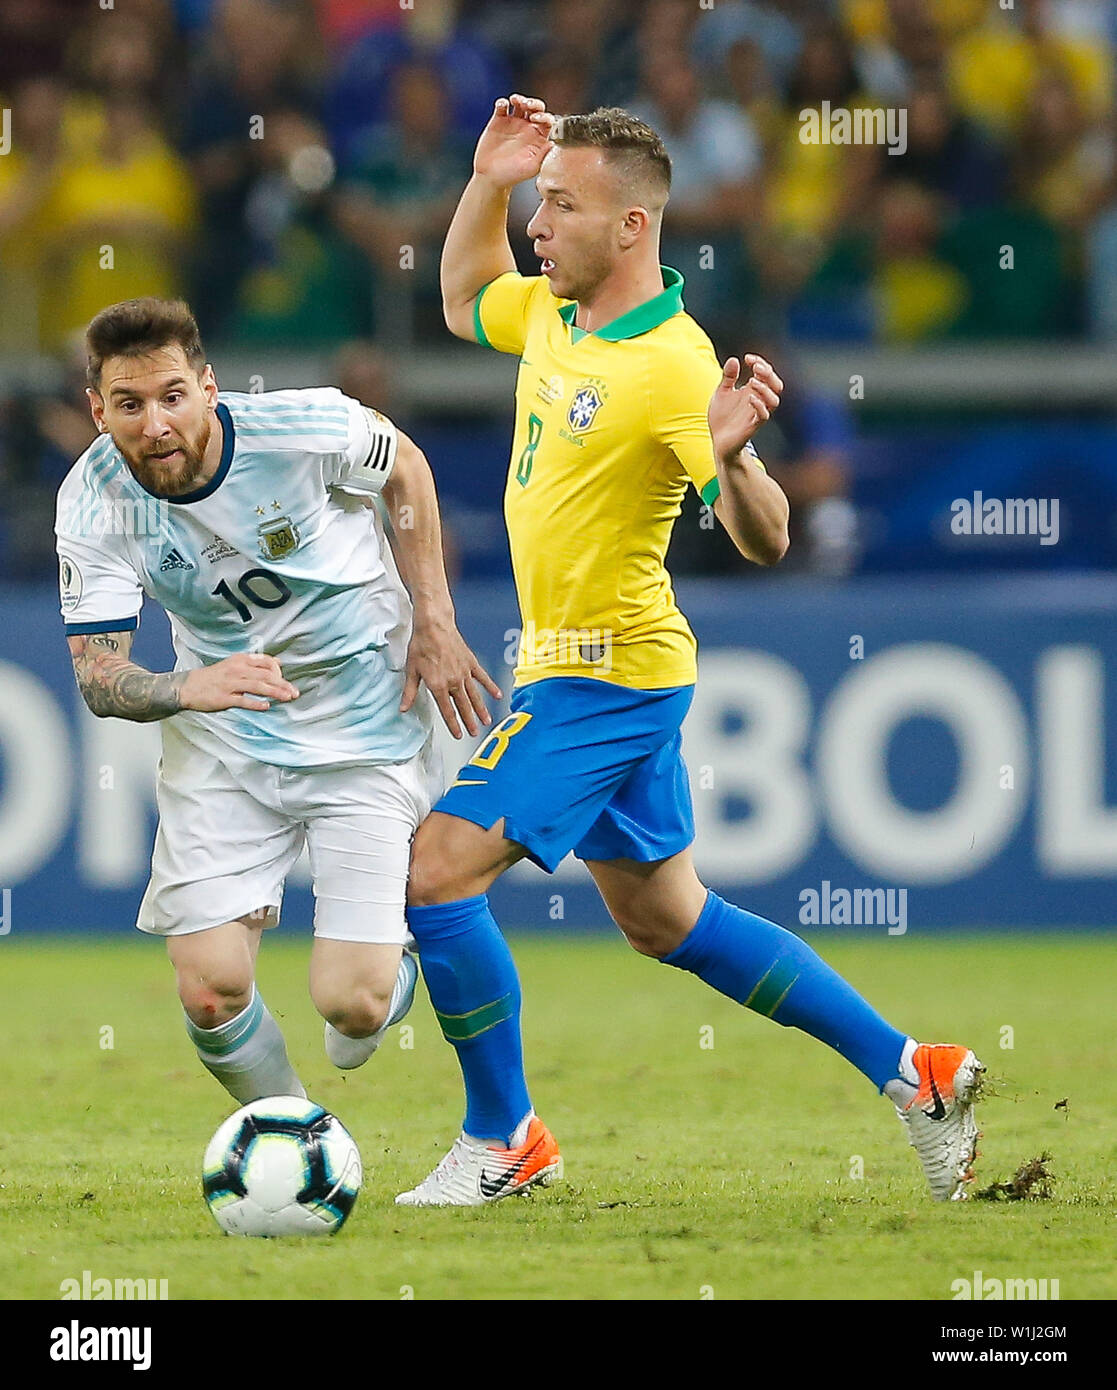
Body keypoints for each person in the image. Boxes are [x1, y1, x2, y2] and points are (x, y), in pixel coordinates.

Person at [388, 97, 983, 1207]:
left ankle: (503, 1135)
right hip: (585, 665)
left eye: (559, 205)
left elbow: (768, 540)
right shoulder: (557, 316)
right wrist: (487, 178)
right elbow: (462, 298)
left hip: (605, 677)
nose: (537, 225)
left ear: (630, 228)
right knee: (668, 920)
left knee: (433, 871)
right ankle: (918, 1072)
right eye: (538, 203)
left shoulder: (671, 368)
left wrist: (739, 462)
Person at [54, 296, 500, 1106]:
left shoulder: (302, 429)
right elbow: (98, 675)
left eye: (171, 397)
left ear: (209, 387)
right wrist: (191, 686)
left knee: (352, 1009)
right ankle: (293, 1138)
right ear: (98, 409)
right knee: (209, 991)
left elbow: (404, 466)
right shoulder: (93, 500)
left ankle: (377, 979)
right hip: (225, 734)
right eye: (128, 404)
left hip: (363, 716)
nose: (155, 424)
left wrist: (433, 617)